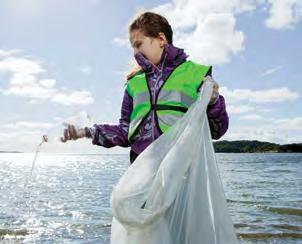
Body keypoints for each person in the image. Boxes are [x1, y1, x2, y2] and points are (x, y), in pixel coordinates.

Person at [61, 12, 229, 164]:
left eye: (138, 44)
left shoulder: (196, 74)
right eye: (132, 47)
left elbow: (217, 131)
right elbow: (125, 131)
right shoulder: (134, 83)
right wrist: (86, 132)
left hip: (182, 173)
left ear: (161, 40)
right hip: (142, 171)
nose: (135, 52)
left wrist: (214, 102)